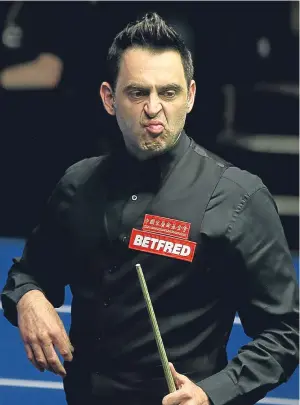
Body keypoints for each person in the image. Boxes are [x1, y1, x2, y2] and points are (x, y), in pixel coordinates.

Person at [1, 12, 299, 405]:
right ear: (109, 98)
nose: (154, 108)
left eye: (169, 92)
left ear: (190, 96)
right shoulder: (78, 184)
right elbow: (29, 274)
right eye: (138, 93)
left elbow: (285, 334)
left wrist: (212, 393)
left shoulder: (237, 197)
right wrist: (28, 298)